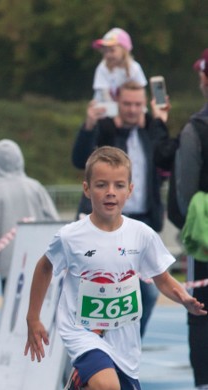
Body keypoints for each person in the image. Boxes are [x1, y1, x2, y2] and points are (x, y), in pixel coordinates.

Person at [24, 147, 205, 390]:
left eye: (118, 185)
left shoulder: (141, 234)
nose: (110, 192)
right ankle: (79, 384)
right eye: (102, 184)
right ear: (86, 188)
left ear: (130, 190)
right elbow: (44, 268)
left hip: (125, 334)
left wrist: (183, 297)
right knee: (107, 389)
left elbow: (161, 277)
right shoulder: (72, 235)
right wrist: (34, 318)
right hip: (83, 331)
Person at [71, 80, 171, 337]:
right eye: (127, 103)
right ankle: (90, 349)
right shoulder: (106, 128)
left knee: (147, 293)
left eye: (138, 104)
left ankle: (129, 342)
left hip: (141, 223)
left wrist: (160, 122)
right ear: (117, 103)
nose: (132, 109)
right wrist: (89, 125)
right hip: (104, 222)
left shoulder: (151, 129)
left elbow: (167, 159)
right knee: (96, 292)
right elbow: (78, 159)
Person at [171, 48, 208, 390]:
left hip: (205, 238)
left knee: (200, 312)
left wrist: (188, 227)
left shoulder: (196, 129)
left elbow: (184, 190)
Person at [0, 140, 59, 291]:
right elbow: (54, 222)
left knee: (13, 309)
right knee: (39, 309)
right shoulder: (35, 187)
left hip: (9, 263)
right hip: (40, 258)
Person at [91, 28, 147, 112]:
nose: (108, 54)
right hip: (106, 108)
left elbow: (141, 91)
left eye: (112, 50)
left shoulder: (134, 68)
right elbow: (104, 93)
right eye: (105, 51)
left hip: (130, 108)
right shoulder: (103, 67)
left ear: (124, 50)